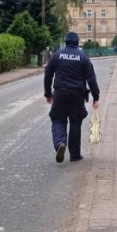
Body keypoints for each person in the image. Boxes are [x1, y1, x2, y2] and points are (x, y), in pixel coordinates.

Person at [44, 32, 100, 163]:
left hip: (60, 92)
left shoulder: (57, 55)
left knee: (58, 119)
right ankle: (75, 154)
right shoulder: (83, 57)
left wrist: (48, 94)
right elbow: (91, 78)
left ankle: (60, 143)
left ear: (66, 41)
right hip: (78, 94)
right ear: (77, 42)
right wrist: (95, 96)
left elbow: (48, 75)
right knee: (76, 121)